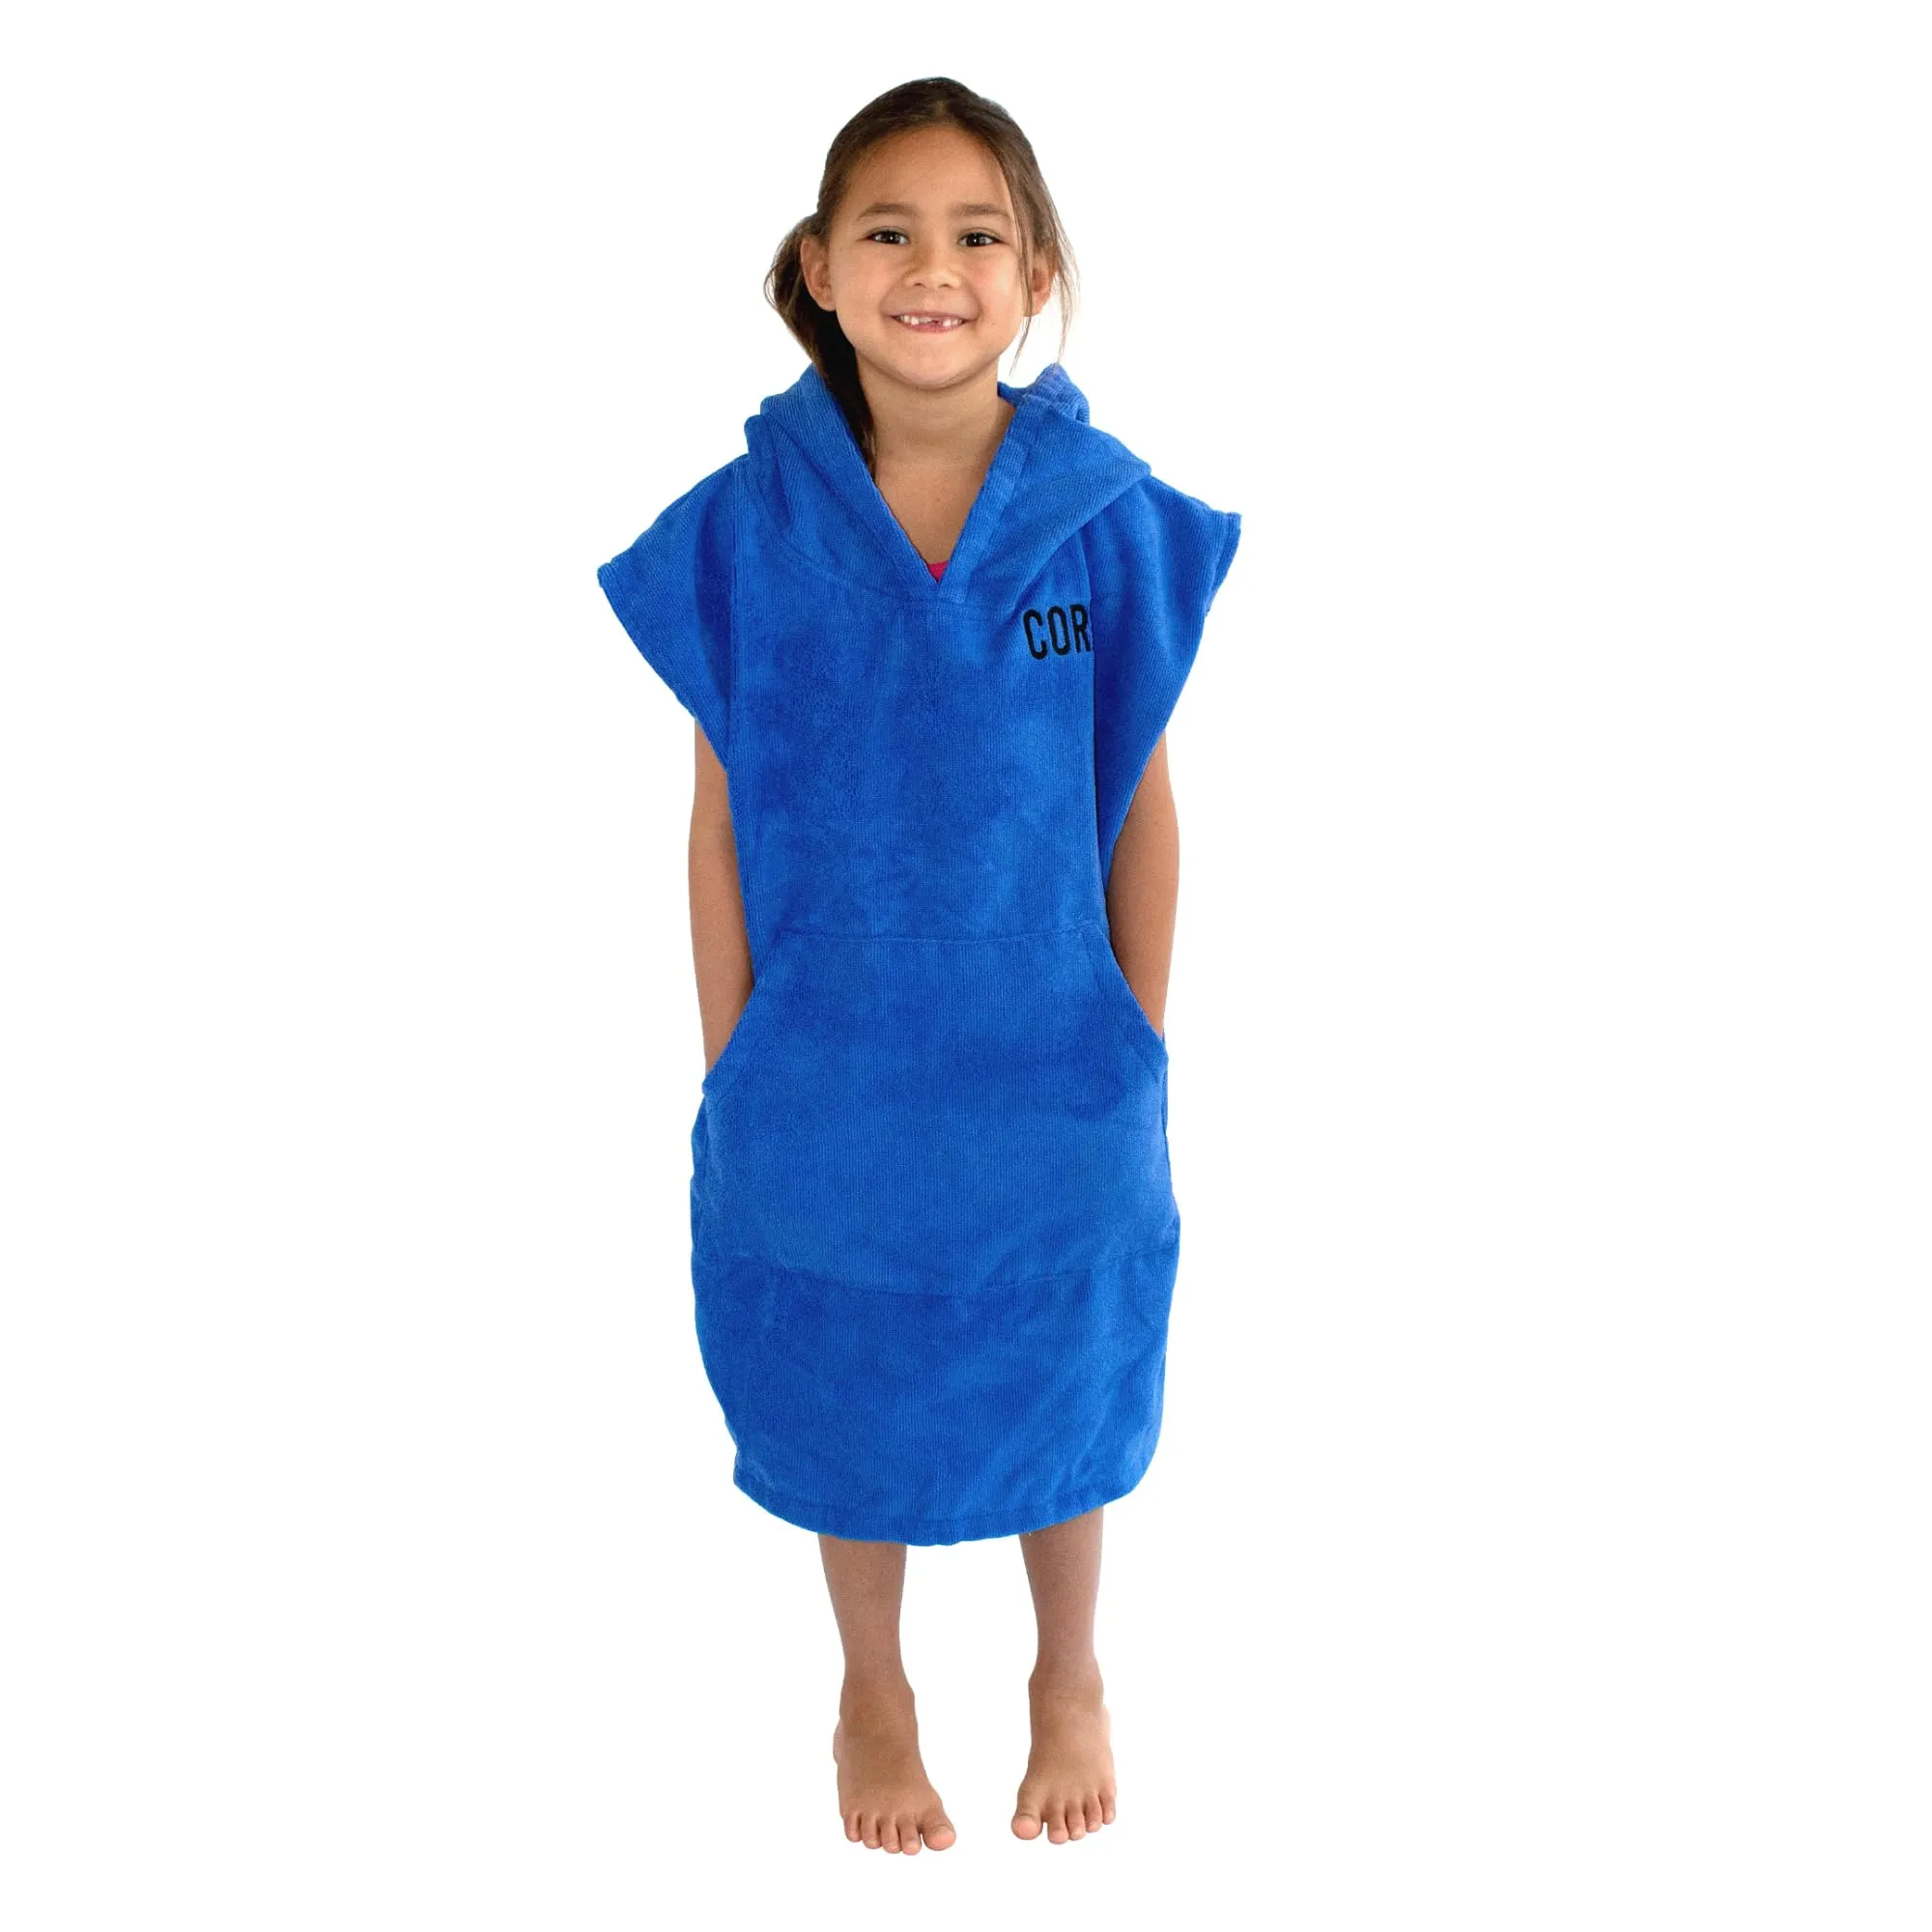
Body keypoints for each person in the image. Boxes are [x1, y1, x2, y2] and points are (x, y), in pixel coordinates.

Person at [595, 76, 1240, 1855]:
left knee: (1066, 1350)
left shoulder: (1102, 526)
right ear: (819, 266)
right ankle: (870, 1686)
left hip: (1058, 1059)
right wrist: (735, 1056)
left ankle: (1069, 1669)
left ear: (1035, 277)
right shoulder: (745, 534)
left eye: (977, 235)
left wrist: (1132, 1041)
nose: (932, 268)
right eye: (889, 231)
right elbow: (718, 822)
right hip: (825, 1066)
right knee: (842, 1361)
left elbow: (1142, 807)